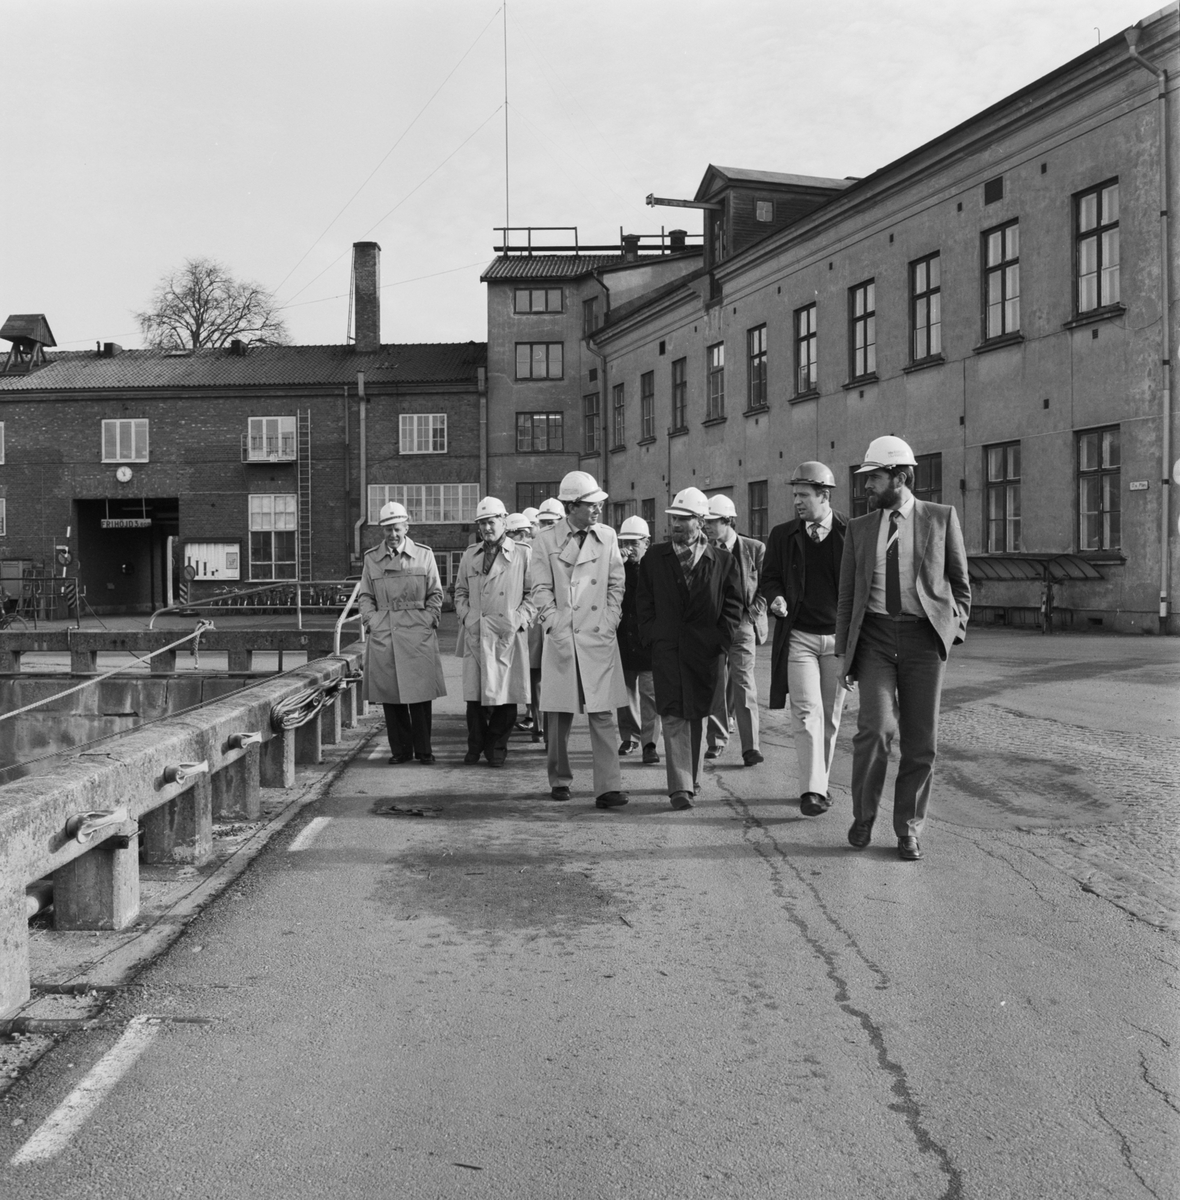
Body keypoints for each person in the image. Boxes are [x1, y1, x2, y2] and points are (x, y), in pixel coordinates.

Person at [836, 436, 971, 861]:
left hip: (923, 640)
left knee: (920, 741)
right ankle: (863, 817)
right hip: (874, 639)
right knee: (874, 729)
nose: (866, 486)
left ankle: (908, 829)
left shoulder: (940, 518)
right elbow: (847, 595)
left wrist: (953, 629)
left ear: (901, 477)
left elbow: (960, 583)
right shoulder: (859, 528)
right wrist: (844, 653)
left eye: (874, 478)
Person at [637, 487, 743, 810]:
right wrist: (653, 635)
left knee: (697, 715)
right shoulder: (655, 558)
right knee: (673, 715)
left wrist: (721, 641)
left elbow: (733, 606)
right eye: (674, 518)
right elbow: (643, 601)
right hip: (667, 650)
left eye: (683, 519)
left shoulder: (722, 561)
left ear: (700, 521)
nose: (676, 525)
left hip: (705, 653)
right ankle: (680, 787)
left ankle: (691, 780)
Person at [529, 471, 629, 808]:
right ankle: (559, 779)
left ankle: (608, 787)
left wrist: (610, 619)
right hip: (565, 634)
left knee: (603, 713)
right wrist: (555, 622)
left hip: (598, 634)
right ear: (572, 506)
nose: (599, 509)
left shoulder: (607, 536)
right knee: (559, 714)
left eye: (599, 504)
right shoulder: (545, 540)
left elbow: (616, 583)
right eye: (591, 504)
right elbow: (540, 588)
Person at [761, 462, 849, 816]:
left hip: (838, 640)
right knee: (806, 712)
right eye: (794, 495)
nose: (796, 501)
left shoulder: (850, 532)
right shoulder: (782, 535)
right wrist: (775, 598)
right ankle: (811, 791)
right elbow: (769, 578)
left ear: (824, 495)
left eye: (803, 495)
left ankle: (820, 785)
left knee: (830, 716)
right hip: (799, 638)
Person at [357, 500, 446, 764]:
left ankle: (424, 750)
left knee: (420, 695)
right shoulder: (372, 558)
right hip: (386, 630)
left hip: (417, 630)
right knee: (391, 696)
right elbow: (365, 595)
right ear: (382, 530)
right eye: (388, 529)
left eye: (397, 528)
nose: (393, 535)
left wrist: (430, 619)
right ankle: (401, 751)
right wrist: (371, 621)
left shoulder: (424, 555)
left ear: (406, 527)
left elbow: (436, 593)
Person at [454, 498, 535, 768]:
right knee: (475, 698)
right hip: (477, 632)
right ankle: (475, 747)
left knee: (507, 698)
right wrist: (467, 617)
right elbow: (460, 591)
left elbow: (534, 593)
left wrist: (519, 619)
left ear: (503, 521)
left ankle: (496, 748)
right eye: (482, 523)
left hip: (506, 634)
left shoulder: (522, 553)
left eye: (491, 522)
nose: (486, 528)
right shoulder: (470, 555)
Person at [702, 494, 767, 766]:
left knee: (744, 684)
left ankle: (751, 747)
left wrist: (751, 615)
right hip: (713, 626)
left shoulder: (754, 549)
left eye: (712, 521)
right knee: (716, 682)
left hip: (742, 625)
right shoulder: (703, 549)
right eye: (705, 521)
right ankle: (716, 741)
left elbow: (766, 587)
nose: (706, 526)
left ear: (728, 520)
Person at [614, 515, 661, 765]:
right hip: (623, 639)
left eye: (635, 543)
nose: (629, 548)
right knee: (624, 693)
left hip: (648, 641)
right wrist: (617, 566)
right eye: (625, 543)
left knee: (650, 695)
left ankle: (649, 743)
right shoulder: (616, 568)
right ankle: (629, 736)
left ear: (646, 543)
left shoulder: (655, 568)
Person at [506, 512, 543, 737]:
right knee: (532, 676)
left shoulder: (529, 552)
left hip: (533, 621)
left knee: (535, 676)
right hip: (526, 621)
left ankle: (538, 724)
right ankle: (536, 722)